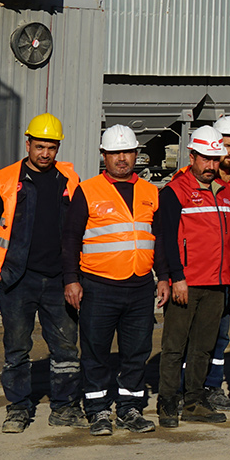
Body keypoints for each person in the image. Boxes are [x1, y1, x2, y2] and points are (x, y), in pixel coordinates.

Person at [0, 113, 82, 432]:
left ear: (58, 147)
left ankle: (63, 408)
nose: (45, 153)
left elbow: (79, 228)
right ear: (28, 143)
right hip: (17, 279)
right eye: (39, 146)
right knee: (17, 348)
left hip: (59, 280)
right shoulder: (6, 179)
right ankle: (18, 409)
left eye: (51, 147)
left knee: (65, 348)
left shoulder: (70, 181)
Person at [63, 124, 165, 437]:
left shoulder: (150, 192)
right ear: (103, 155)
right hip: (99, 284)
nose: (121, 158)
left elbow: (157, 238)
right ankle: (97, 410)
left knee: (137, 351)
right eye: (115, 153)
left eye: (127, 152)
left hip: (140, 285)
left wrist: (163, 278)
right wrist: (71, 279)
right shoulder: (87, 190)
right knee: (95, 351)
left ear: (136, 154)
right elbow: (69, 239)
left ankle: (130, 408)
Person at [153, 126, 230, 428]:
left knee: (204, 345)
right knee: (175, 345)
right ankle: (167, 402)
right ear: (192, 156)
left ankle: (194, 401)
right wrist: (176, 277)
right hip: (187, 282)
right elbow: (166, 238)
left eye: (216, 159)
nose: (212, 166)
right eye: (206, 159)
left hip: (217, 282)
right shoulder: (176, 192)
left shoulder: (224, 192)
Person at [200, 114, 230, 408]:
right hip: (201, 272)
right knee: (196, 336)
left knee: (220, 335)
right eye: (225, 145)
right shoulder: (198, 180)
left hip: (227, 272)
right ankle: (188, 389)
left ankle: (212, 386)